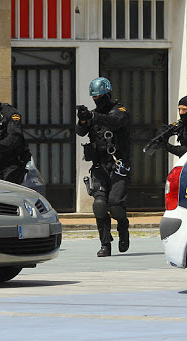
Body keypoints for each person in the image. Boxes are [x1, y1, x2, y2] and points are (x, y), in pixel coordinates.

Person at [76, 77, 131, 257]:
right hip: (99, 166)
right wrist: (83, 120)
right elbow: (80, 132)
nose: (97, 100)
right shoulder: (94, 114)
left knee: (114, 205)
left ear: (108, 94)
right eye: (94, 98)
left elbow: (115, 122)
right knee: (99, 204)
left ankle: (123, 227)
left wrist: (93, 116)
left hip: (118, 165)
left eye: (100, 96)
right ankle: (105, 244)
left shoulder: (120, 111)